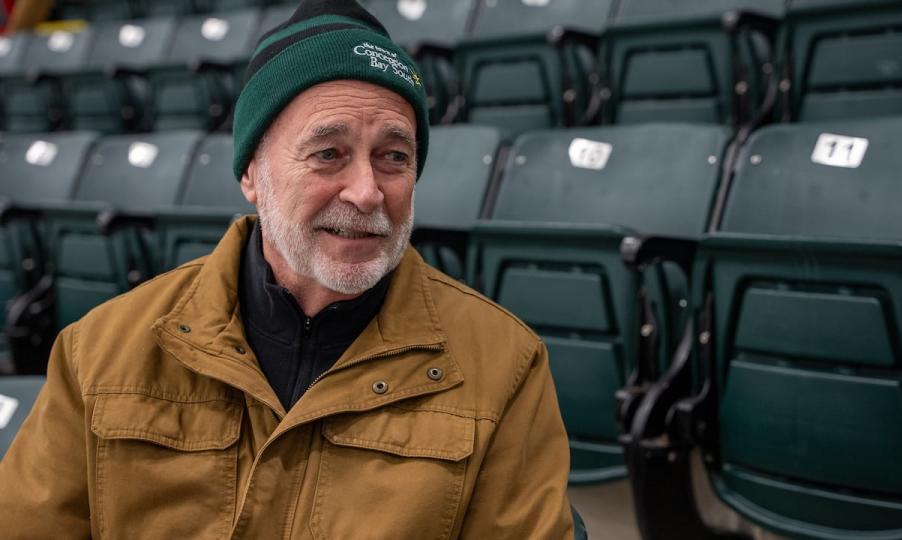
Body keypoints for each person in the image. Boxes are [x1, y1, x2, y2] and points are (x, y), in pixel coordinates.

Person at [0, 0, 576, 537]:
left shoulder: (504, 365)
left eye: (394, 157)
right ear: (252, 173)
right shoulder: (99, 352)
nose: (368, 192)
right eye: (328, 153)